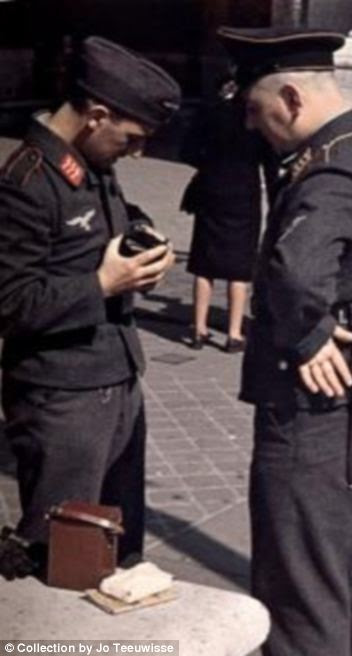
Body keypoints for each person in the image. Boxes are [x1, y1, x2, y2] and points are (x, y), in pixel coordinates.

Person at [218, 25, 352, 655]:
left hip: (324, 408)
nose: (253, 127)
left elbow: (294, 268)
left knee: (299, 588)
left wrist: (307, 336)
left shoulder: (330, 170)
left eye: (256, 111)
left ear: (292, 100)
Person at [0, 36, 180, 576]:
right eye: (131, 139)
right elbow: (9, 302)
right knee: (68, 557)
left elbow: (113, 220)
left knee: (118, 553)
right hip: (63, 399)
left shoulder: (92, 163)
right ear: (96, 116)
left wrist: (145, 242)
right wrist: (102, 284)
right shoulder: (25, 185)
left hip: (116, 380)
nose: (137, 152)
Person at [180, 78, 269, 353]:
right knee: (239, 268)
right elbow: (268, 155)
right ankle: (233, 333)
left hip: (211, 191)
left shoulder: (209, 112)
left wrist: (210, 163)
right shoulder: (254, 116)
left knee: (204, 264)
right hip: (244, 194)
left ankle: (199, 328)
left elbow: (187, 151)